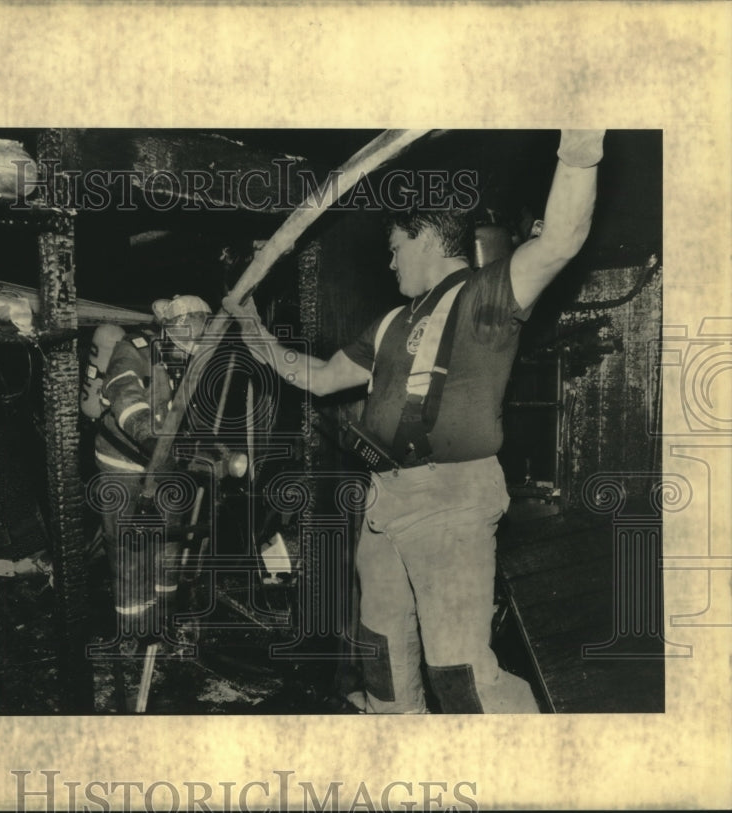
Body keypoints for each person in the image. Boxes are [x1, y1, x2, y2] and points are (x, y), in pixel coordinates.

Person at [223, 130, 605, 713]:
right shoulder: (390, 323)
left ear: (424, 235)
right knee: (380, 658)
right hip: (386, 501)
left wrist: (580, 145)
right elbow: (320, 377)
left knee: (459, 677)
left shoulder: (485, 297)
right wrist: (251, 328)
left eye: (395, 247)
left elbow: (560, 240)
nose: (391, 259)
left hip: (450, 503)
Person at [93, 294, 212, 636]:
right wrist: (149, 438)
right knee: (129, 548)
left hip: (166, 467)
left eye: (203, 329)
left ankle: (165, 620)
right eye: (193, 328)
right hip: (123, 464)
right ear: (175, 326)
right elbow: (123, 394)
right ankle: (133, 632)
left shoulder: (194, 358)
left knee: (168, 545)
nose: (197, 336)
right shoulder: (135, 348)